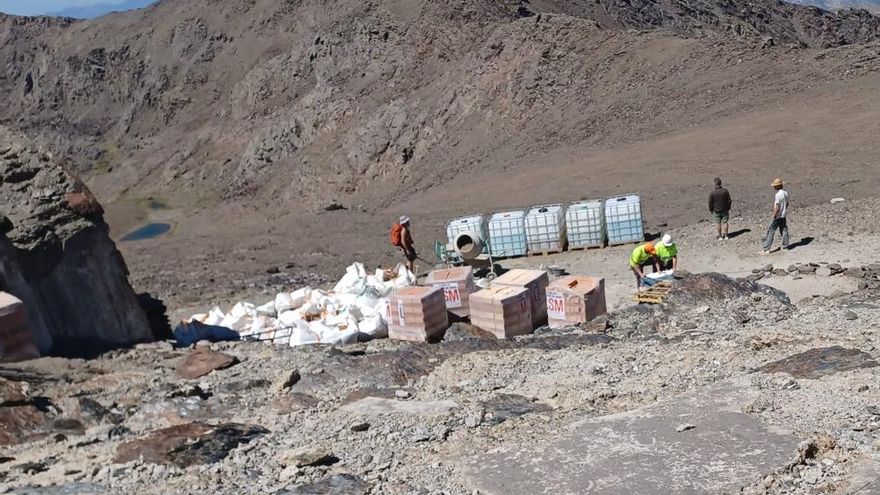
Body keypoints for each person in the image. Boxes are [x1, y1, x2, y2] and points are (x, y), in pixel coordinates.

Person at [761, 178, 790, 254]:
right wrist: (784, 210)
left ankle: (766, 248)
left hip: (778, 216)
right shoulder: (786, 193)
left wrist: (774, 214)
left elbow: (777, 206)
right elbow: (787, 204)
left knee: (771, 230)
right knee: (784, 230)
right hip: (783, 215)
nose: (773, 187)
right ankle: (785, 246)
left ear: (777, 186)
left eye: (775, 186)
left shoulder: (778, 195)